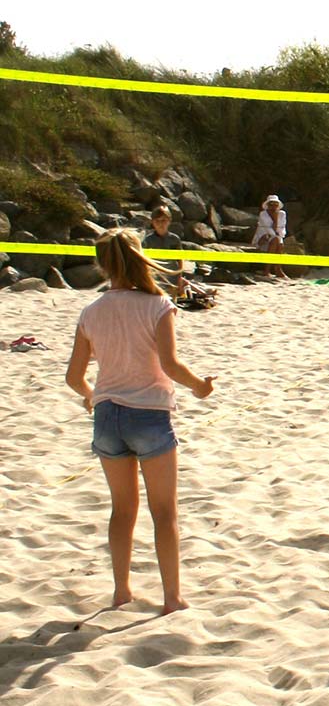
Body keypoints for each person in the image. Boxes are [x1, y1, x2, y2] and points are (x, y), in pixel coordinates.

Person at [64, 229, 217, 615]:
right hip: (148, 414)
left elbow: (73, 376)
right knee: (164, 511)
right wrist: (199, 386)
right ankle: (172, 598)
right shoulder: (157, 304)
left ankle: (121, 592)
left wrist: (89, 395)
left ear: (101, 264)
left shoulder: (91, 312)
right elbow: (170, 364)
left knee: (122, 509)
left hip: (107, 415)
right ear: (139, 256)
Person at [251, 195, 288, 278]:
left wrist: (276, 218)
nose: (273, 207)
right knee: (276, 240)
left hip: (276, 237)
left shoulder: (282, 214)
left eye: (275, 204)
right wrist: (274, 219)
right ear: (267, 205)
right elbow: (268, 229)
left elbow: (282, 228)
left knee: (279, 243)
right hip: (263, 238)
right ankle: (267, 270)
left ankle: (278, 268)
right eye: (271, 204)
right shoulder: (263, 214)